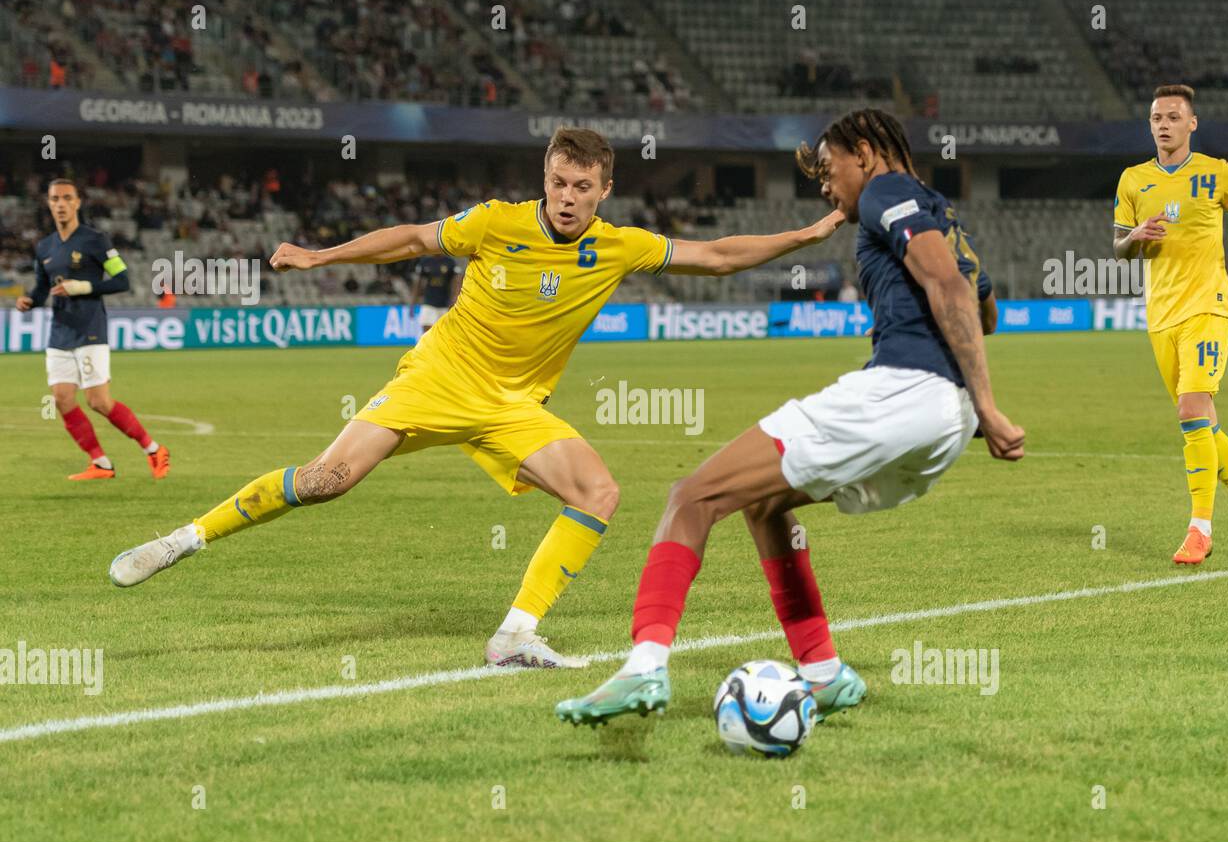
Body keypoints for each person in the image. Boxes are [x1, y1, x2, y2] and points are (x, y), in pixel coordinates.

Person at [108, 127, 844, 671]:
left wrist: (810, 233)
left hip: (513, 406)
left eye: (582, 187)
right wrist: (320, 254)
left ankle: (515, 634)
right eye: (558, 181)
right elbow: (411, 240)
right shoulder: (497, 221)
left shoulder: (618, 246)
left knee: (598, 489)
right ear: (545, 177)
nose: (566, 196)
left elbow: (717, 257)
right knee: (327, 480)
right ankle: (184, 539)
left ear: (604, 192)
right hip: (437, 379)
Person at [557, 107, 1023, 726]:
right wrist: (973, 407)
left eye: (829, 172)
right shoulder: (940, 211)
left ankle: (642, 668)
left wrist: (990, 405)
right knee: (765, 505)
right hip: (941, 423)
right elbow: (985, 306)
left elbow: (952, 290)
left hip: (904, 394)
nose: (827, 189)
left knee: (691, 496)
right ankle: (825, 674)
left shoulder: (886, 189)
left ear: (864, 152)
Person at [1113, 84, 1228, 564]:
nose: (1163, 124)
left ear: (1192, 123)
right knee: (1203, 423)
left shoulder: (1218, 173)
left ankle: (1200, 528)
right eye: (1157, 117)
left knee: (1190, 411)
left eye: (1173, 117)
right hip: (1161, 313)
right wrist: (1135, 236)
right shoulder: (1132, 180)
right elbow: (1119, 247)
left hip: (1210, 304)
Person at [16, 179, 169, 482]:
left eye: (66, 198)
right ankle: (100, 463)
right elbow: (42, 287)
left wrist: (83, 286)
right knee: (61, 398)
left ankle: (153, 449)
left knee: (98, 401)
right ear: (49, 203)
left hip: (90, 328)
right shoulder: (44, 246)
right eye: (54, 198)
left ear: (77, 203)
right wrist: (30, 301)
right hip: (60, 330)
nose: (60, 203)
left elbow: (122, 280)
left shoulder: (95, 240)